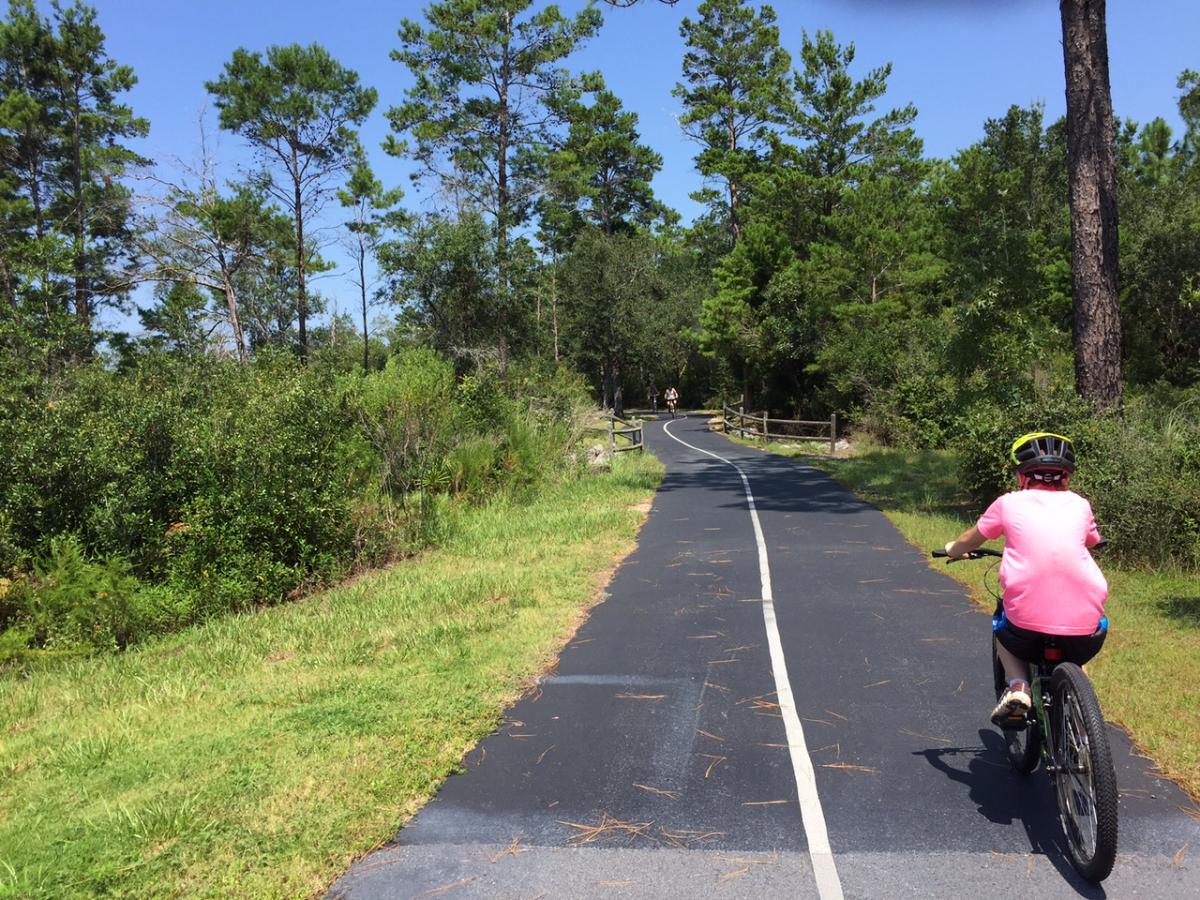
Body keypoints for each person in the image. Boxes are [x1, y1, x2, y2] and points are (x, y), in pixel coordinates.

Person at [943, 432, 1108, 725]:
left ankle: (1018, 685)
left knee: (1001, 622)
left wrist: (953, 550)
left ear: (1022, 476)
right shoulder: (1081, 505)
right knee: (1075, 652)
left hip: (1025, 627)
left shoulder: (1008, 504)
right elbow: (1093, 540)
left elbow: (972, 538)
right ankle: (1083, 711)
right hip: (1087, 629)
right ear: (1066, 477)